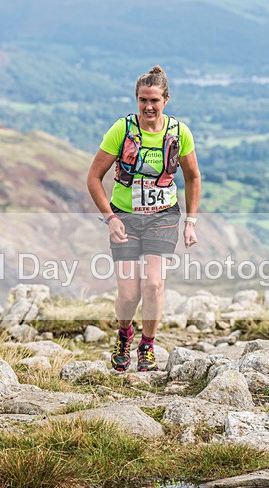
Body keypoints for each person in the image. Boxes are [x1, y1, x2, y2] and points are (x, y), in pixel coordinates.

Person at [87, 65, 201, 372]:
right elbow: (93, 177)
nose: (148, 107)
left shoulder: (179, 133)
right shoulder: (121, 130)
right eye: (142, 100)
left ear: (166, 99)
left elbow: (192, 177)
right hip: (125, 217)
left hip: (163, 217)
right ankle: (124, 335)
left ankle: (147, 346)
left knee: (153, 284)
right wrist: (110, 218)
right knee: (128, 293)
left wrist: (190, 222)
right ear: (136, 100)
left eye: (154, 101)